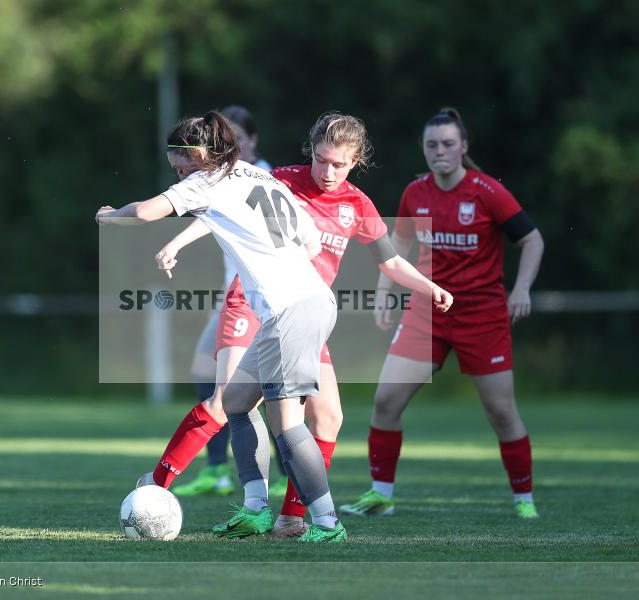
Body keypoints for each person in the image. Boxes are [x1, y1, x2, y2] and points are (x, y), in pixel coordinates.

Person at [145, 112, 454, 538]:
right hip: (252, 304)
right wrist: (178, 240)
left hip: (300, 313)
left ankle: (293, 517)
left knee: (327, 418)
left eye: (339, 164)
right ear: (311, 151)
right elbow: (217, 208)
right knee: (231, 403)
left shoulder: (357, 205)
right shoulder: (283, 180)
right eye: (322, 160)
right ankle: (159, 489)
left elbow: (391, 260)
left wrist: (426, 286)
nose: (328, 172)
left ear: (356, 161)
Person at [97, 111, 349, 542]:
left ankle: (327, 524)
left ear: (199, 158)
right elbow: (310, 242)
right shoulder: (259, 176)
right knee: (235, 400)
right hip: (301, 304)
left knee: (287, 424)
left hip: (290, 311)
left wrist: (109, 215)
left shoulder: (205, 181)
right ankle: (255, 510)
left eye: (181, 168)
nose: (179, 177)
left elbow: (145, 213)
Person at [339, 107, 545, 520]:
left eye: (449, 143)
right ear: (424, 149)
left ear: (463, 147)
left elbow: (533, 240)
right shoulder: (416, 193)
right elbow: (393, 247)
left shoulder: (487, 192)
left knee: (502, 412)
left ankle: (524, 500)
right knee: (386, 402)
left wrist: (521, 288)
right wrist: (384, 292)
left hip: (482, 314)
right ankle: (381, 495)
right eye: (432, 145)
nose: (440, 151)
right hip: (426, 311)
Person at [176, 105, 277, 499]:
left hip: (260, 295)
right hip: (232, 293)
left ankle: (276, 476)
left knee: (265, 388)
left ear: (251, 141)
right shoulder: (221, 177)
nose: (228, 144)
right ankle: (216, 470)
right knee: (207, 371)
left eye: (236, 136)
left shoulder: (262, 176)